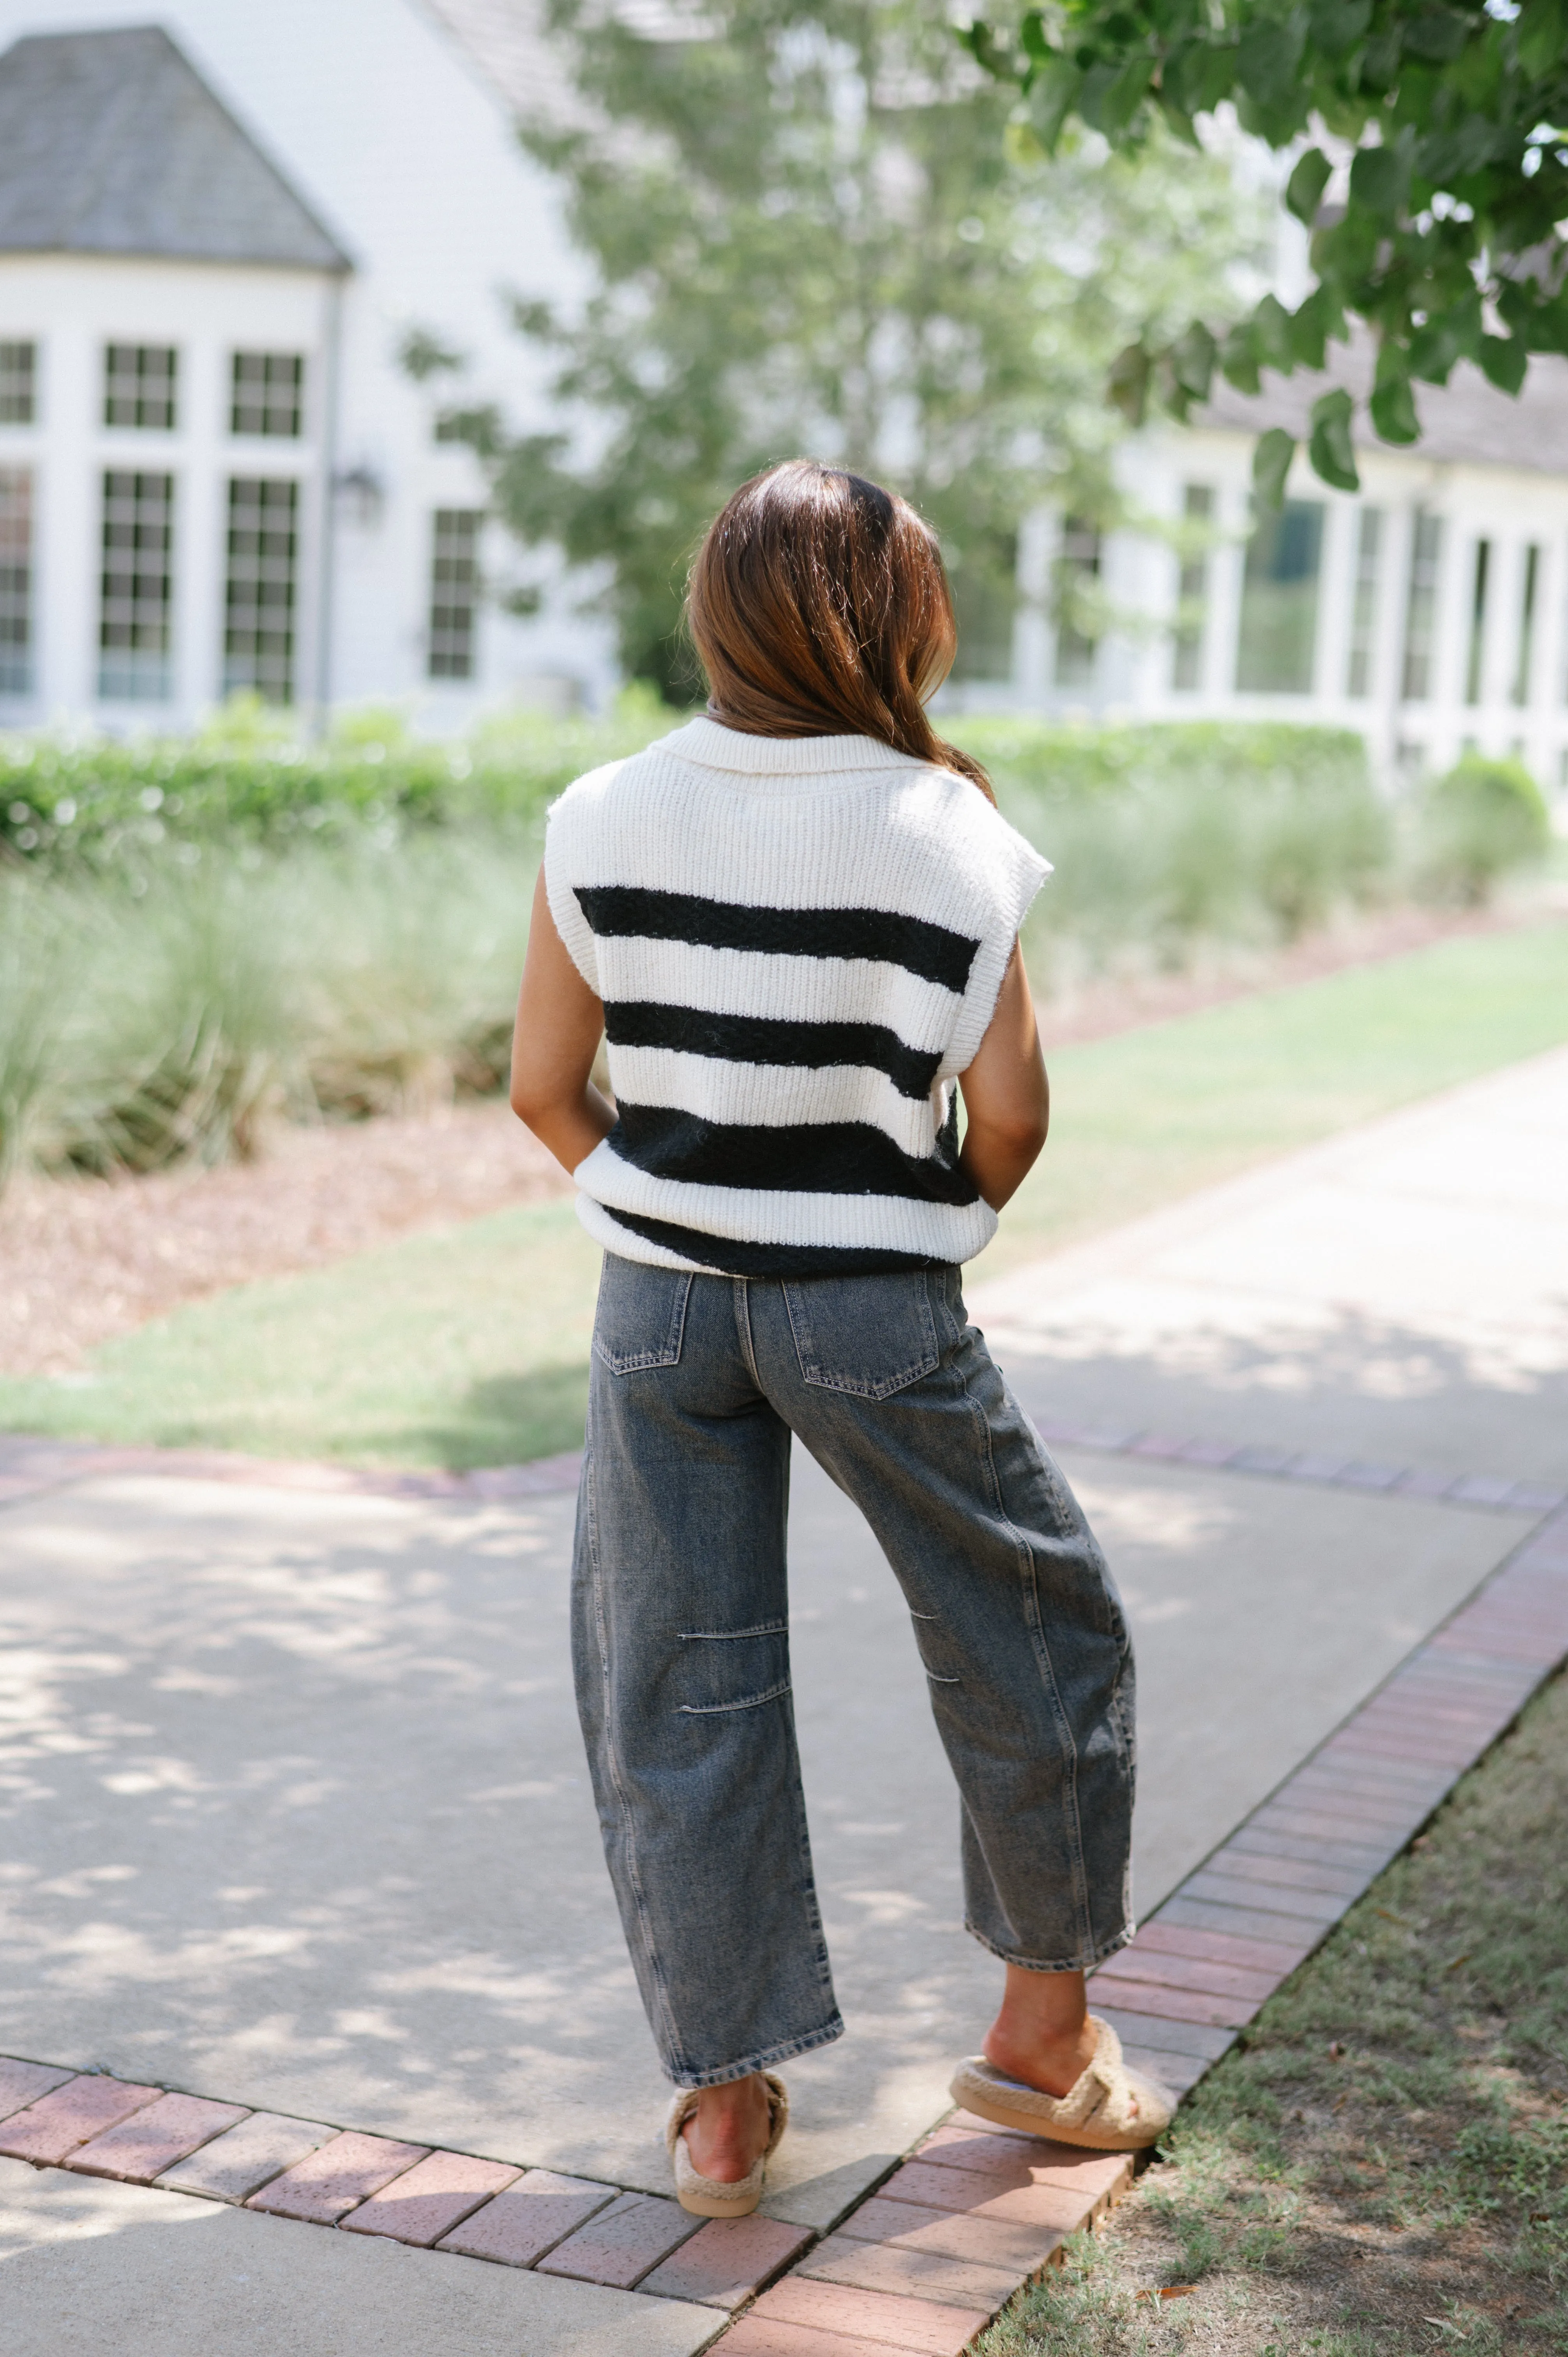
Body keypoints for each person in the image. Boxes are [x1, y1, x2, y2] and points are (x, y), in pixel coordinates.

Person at [509, 459, 1171, 2219]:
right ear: (901, 623)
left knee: (676, 1675)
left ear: (720, 613)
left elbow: (537, 1088)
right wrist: (927, 1219)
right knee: (1037, 1623)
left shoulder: (599, 812)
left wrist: (653, 1203)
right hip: (870, 1305)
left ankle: (721, 2113)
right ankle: (1040, 2043)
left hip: (655, 1309)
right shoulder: (953, 839)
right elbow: (1014, 1116)